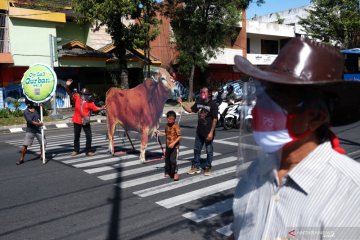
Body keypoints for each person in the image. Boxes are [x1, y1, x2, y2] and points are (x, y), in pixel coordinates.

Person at [229, 37, 360, 240]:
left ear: (315, 116)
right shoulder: (256, 172)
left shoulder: (352, 193)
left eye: (277, 98)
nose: (260, 109)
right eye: (262, 96)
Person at [178, 86, 218, 176]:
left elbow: (215, 119)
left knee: (209, 151)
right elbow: (190, 110)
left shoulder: (213, 104)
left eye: (204, 92)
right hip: (199, 131)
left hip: (208, 132)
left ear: (209, 94)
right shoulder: (199, 102)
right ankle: (196, 166)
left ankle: (208, 167)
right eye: (201, 92)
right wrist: (182, 103)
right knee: (196, 150)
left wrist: (211, 132)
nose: (202, 94)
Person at [65, 79, 105, 156]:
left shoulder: (90, 101)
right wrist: (67, 86)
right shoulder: (77, 97)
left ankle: (88, 151)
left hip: (85, 121)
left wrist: (102, 108)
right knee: (76, 136)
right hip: (77, 120)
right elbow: (69, 93)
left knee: (89, 136)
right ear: (81, 94)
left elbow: (95, 108)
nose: (84, 96)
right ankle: (76, 150)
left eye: (86, 94)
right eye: (83, 94)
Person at [157, 110, 181, 181]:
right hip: (168, 146)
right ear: (166, 118)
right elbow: (166, 134)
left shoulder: (176, 126)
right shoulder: (166, 126)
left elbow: (179, 136)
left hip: (174, 147)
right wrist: (159, 133)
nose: (170, 120)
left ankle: (175, 172)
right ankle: (168, 171)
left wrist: (173, 143)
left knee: (173, 160)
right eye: (169, 118)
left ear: (174, 119)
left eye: (172, 119)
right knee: (167, 160)